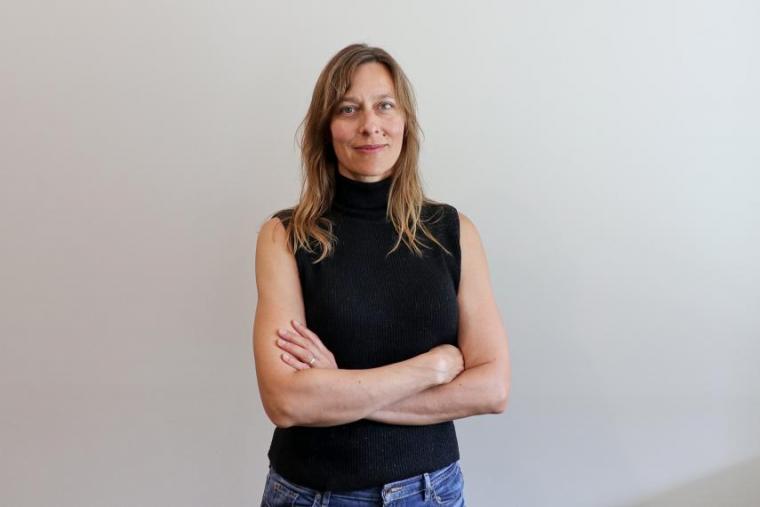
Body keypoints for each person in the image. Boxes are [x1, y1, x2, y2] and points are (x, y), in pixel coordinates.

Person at [253, 42, 511, 506]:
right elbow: (286, 402)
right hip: (314, 495)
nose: (370, 125)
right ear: (325, 129)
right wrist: (428, 369)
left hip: (431, 492)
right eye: (348, 109)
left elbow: (492, 388)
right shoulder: (285, 237)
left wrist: (340, 389)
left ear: (405, 121)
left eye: (384, 106)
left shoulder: (453, 232)